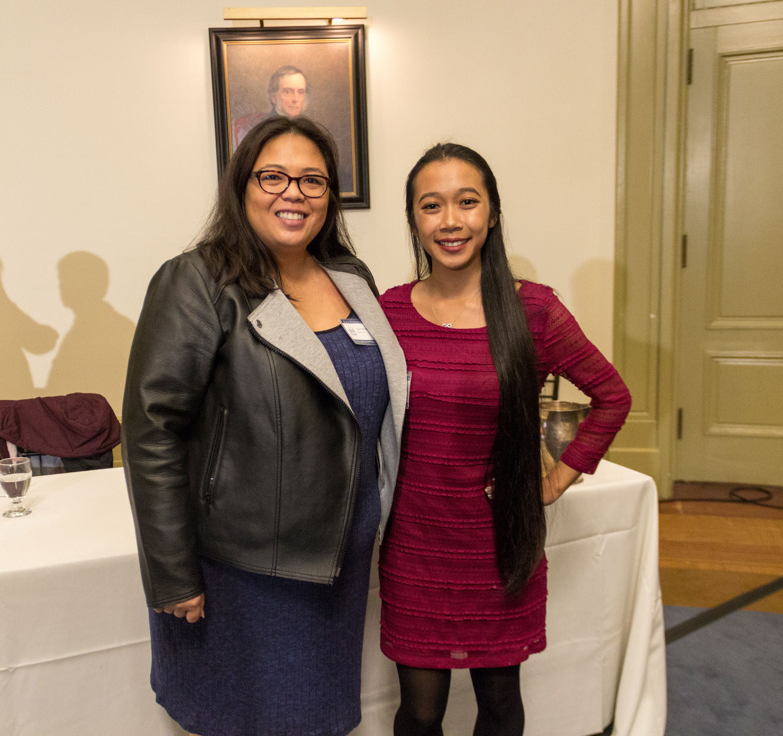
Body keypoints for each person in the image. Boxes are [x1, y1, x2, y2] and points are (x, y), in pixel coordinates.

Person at [121, 115, 407, 736]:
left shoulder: (353, 280)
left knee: (321, 717)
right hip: (243, 569)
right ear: (241, 186)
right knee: (248, 719)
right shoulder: (198, 281)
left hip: (342, 556)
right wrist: (172, 573)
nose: (293, 193)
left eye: (313, 180)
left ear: (331, 197)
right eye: (273, 175)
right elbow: (151, 434)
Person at [377, 143, 632, 736]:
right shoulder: (389, 311)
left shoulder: (533, 310)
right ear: (414, 219)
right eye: (431, 205)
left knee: (498, 706)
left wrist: (552, 481)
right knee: (418, 713)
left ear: (491, 213)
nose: (450, 221)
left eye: (467, 202)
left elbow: (612, 397)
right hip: (414, 544)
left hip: (498, 545)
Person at [232, 65, 309, 148]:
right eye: (288, 92)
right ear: (273, 97)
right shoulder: (261, 131)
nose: (295, 99)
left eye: (300, 92)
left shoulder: (307, 131)